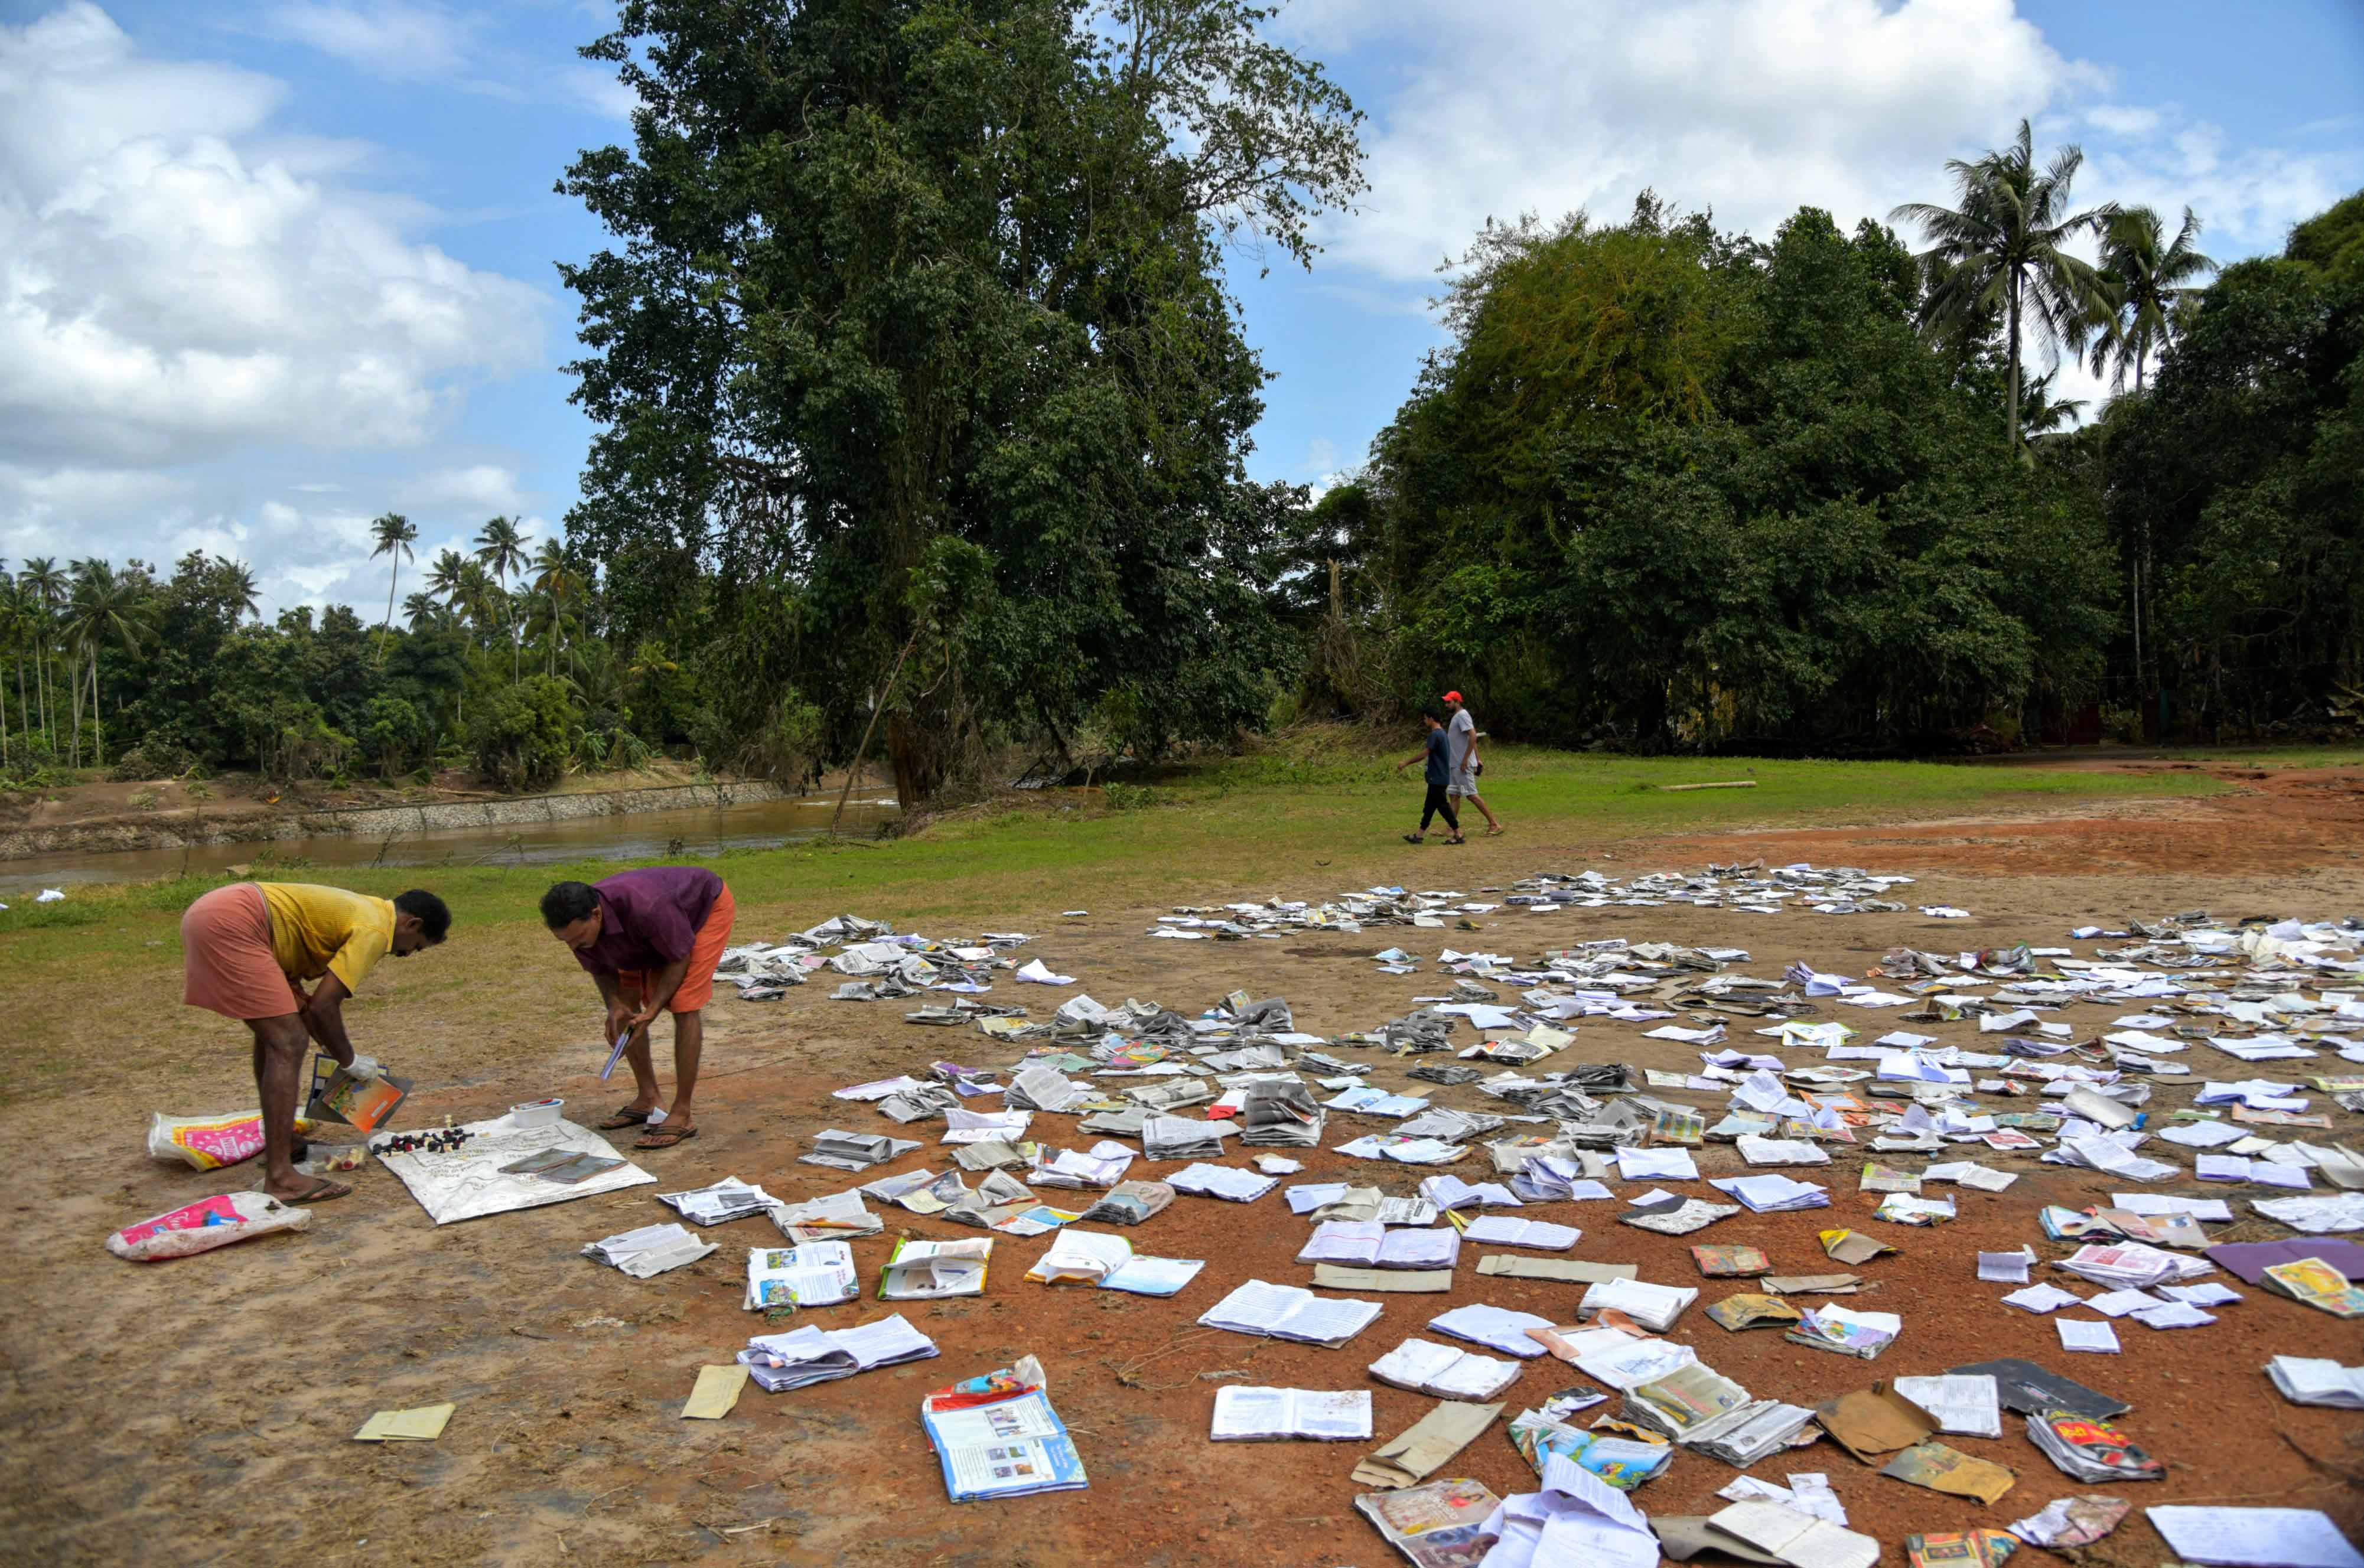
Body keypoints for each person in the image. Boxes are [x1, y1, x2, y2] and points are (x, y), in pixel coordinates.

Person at [181, 881, 451, 1203]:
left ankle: (284, 1145)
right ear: (412, 924)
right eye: (415, 947)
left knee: (278, 1035)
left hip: (225, 913)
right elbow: (325, 1005)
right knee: (288, 1041)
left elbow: (310, 1010)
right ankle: (281, 1178)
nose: (405, 954)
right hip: (237, 921)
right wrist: (350, 1061)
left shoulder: (369, 910)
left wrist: (337, 1052)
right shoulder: (376, 928)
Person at [541, 866, 736, 1149]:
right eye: (566, 941)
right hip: (644, 932)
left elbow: (679, 956)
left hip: (702, 911)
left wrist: (654, 1009)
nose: (573, 946)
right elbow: (601, 967)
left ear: (596, 915)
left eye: (577, 938)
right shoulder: (580, 929)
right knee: (625, 1007)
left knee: (683, 1002)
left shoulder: (648, 907)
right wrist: (614, 1005)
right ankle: (648, 1098)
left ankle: (681, 1112)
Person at [1395, 708, 1464, 844]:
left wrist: (1406, 762)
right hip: (1440, 777)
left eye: (1425, 718)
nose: (1424, 720)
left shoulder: (1435, 735)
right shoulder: (1443, 734)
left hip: (1437, 778)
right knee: (1430, 807)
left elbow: (1425, 753)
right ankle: (1419, 836)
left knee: (1443, 807)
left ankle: (1458, 834)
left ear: (1431, 719)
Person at [1441, 690, 1505, 835]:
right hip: (1455, 764)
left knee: (1471, 795)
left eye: (1449, 702)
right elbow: (1471, 737)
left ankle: (1494, 824)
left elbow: (1473, 736)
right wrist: (1478, 758)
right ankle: (1451, 828)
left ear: (1457, 702)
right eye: (1446, 702)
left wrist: (1466, 760)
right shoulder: (1457, 717)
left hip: (1462, 764)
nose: (1446, 705)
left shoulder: (1462, 715)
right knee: (1454, 796)